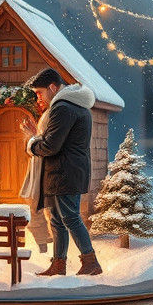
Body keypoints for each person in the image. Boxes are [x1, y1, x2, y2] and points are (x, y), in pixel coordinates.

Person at [20, 68, 101, 276]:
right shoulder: (75, 106)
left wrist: (31, 141)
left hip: (65, 173)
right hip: (62, 173)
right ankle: (59, 264)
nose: (38, 97)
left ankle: (90, 262)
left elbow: (50, 146)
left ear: (53, 88)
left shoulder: (63, 108)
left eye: (39, 92)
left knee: (70, 217)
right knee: (57, 219)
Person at [19, 103, 54, 254]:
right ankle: (43, 245)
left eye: (40, 93)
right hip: (37, 168)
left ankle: (48, 248)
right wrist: (33, 134)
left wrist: (32, 136)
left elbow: (47, 144)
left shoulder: (54, 113)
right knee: (34, 209)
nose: (38, 99)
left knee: (41, 210)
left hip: (44, 169)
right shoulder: (47, 113)